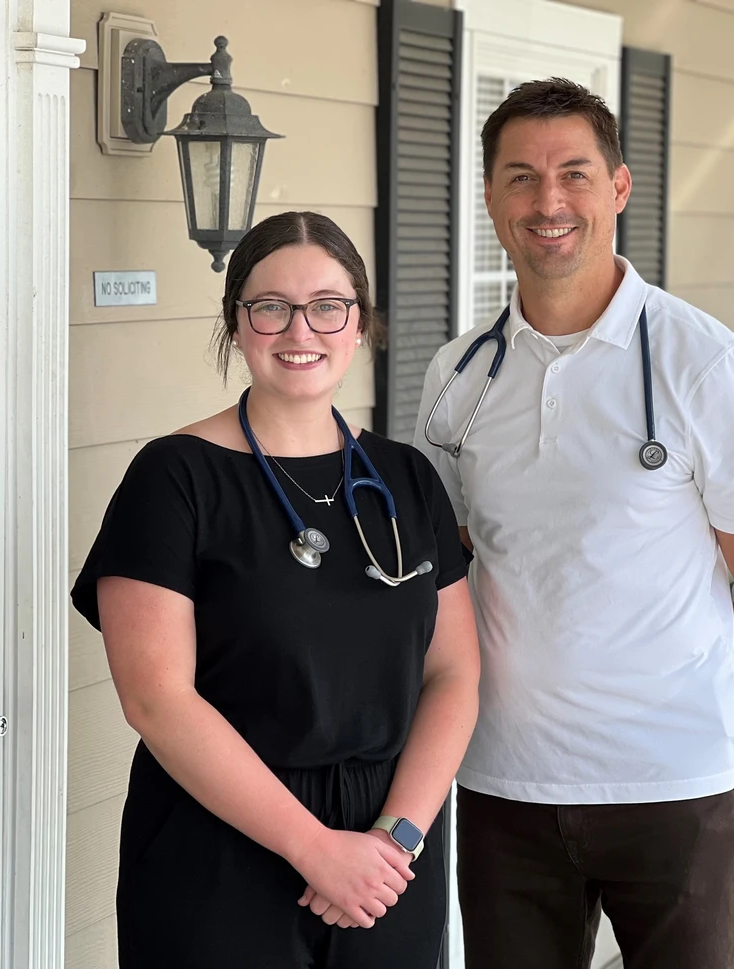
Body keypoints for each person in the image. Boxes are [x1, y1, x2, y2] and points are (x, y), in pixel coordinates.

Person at [415, 79, 734, 969]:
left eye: (574, 174)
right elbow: (452, 560)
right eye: (520, 177)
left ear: (619, 187)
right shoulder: (458, 375)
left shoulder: (708, 365)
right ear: (490, 197)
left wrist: (723, 679)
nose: (547, 201)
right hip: (504, 779)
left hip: (673, 783)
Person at [71, 211, 480, 969]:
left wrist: (396, 839)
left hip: (388, 860)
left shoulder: (408, 481)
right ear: (236, 323)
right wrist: (314, 848)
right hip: (220, 850)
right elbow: (157, 699)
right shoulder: (173, 479)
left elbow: (454, 673)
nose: (301, 329)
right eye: (271, 306)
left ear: (360, 323)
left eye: (328, 306)